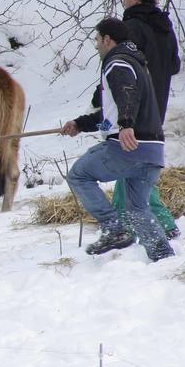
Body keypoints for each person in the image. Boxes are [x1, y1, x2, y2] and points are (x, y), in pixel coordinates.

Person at [61, 18, 174, 262]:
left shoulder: (117, 62)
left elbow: (126, 95)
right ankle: (163, 257)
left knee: (79, 175)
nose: (96, 46)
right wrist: (81, 124)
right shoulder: (137, 62)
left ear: (107, 39)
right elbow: (111, 113)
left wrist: (126, 126)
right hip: (153, 152)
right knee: (136, 209)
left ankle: (113, 227)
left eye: (97, 40)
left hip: (129, 148)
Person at [112, 0, 181, 239]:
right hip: (158, 103)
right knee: (131, 160)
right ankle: (123, 220)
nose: (123, 3)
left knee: (133, 161)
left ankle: (162, 222)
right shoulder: (164, 25)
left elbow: (122, 67)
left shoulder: (130, 27)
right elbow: (174, 65)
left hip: (135, 107)